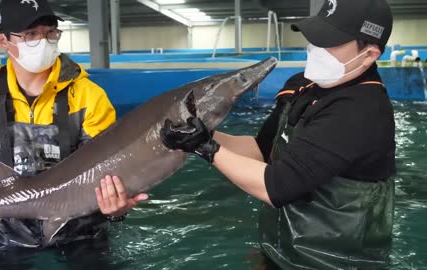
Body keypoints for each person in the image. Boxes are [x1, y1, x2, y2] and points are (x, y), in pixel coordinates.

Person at [160, 0, 396, 269]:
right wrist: (201, 134)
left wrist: (205, 148)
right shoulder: (303, 86)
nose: (316, 49)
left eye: (330, 41)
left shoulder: (361, 111)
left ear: (369, 54)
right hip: (285, 250)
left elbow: (277, 187)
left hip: (334, 262)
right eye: (316, 37)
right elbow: (261, 150)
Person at [0, 0, 147, 253]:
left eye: (50, 31)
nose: (43, 41)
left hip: (80, 229)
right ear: (2, 40)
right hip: (6, 226)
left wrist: (115, 210)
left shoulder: (89, 95)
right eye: (31, 34)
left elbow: (107, 166)